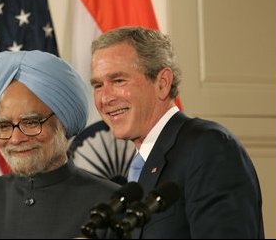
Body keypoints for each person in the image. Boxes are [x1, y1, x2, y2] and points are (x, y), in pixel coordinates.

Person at [90, 26, 264, 238]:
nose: (104, 98)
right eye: (98, 85)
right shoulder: (140, 166)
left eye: (118, 81)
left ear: (162, 83)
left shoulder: (209, 148)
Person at [0, 50, 119, 239]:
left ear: (62, 123)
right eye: (5, 126)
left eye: (31, 123)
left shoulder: (111, 203)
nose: (15, 139)